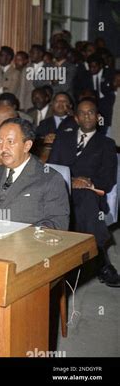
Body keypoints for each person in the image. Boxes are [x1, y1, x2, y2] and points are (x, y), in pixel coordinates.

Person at [49, 99, 119, 287]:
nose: (87, 116)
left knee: (86, 198)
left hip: (91, 196)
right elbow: (49, 170)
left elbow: (108, 180)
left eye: (91, 112)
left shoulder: (107, 144)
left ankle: (89, 261)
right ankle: (101, 262)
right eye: (82, 113)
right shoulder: (62, 138)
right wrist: (71, 181)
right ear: (76, 118)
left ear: (98, 117)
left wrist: (88, 184)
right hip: (60, 192)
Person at [0, 118, 70, 230]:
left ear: (27, 146)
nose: (3, 148)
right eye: (0, 141)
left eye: (10, 142)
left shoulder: (49, 179)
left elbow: (58, 223)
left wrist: (26, 235)